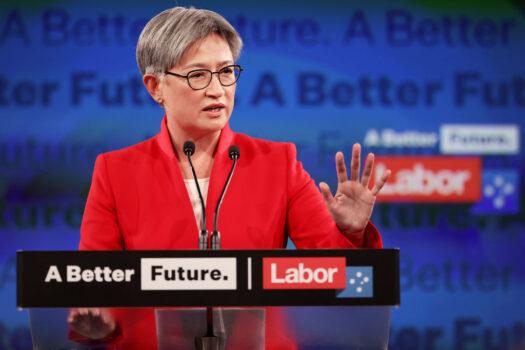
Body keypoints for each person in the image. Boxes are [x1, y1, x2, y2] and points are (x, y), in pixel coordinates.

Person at [68, 6, 391, 349]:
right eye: (198, 75)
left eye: (226, 72)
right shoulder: (117, 171)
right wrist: (98, 323)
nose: (217, 89)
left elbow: (335, 279)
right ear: (155, 86)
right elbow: (96, 283)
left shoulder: (278, 163)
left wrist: (352, 233)